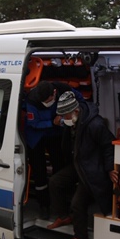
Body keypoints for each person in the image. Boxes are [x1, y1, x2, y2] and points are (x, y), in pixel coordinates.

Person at [46, 91, 118, 239]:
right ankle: (63, 216)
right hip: (79, 164)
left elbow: (108, 146)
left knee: (77, 203)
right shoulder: (73, 121)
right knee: (55, 182)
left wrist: (109, 169)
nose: (63, 119)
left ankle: (80, 237)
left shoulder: (95, 125)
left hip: (92, 169)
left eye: (65, 115)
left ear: (76, 111)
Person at [25, 81, 83, 219]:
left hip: (56, 134)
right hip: (36, 136)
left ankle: (63, 202)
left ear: (54, 94)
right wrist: (52, 122)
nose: (46, 103)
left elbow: (80, 100)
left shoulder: (64, 90)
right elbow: (34, 123)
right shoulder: (32, 100)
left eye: (48, 100)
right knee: (39, 171)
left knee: (60, 165)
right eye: (44, 102)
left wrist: (76, 114)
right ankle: (44, 205)